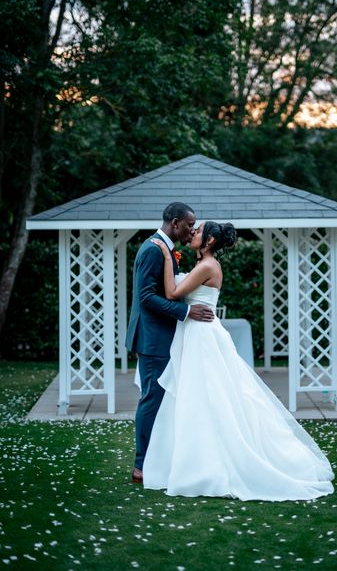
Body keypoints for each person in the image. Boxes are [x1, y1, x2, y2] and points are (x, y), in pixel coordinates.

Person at [142, 221, 334, 501]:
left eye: (198, 231)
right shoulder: (204, 263)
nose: (193, 233)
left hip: (202, 338)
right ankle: (194, 461)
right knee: (198, 399)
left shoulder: (208, 266)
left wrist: (163, 254)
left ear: (208, 242)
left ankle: (208, 467)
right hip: (195, 334)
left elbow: (172, 293)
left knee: (209, 398)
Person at [125, 202, 214, 484]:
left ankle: (158, 458)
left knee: (162, 399)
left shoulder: (164, 250)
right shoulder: (153, 249)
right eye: (190, 225)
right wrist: (187, 312)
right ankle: (141, 465)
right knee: (152, 399)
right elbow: (147, 298)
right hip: (153, 338)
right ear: (175, 223)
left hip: (163, 337)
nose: (192, 230)